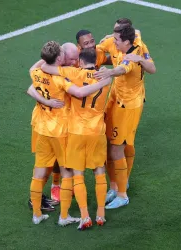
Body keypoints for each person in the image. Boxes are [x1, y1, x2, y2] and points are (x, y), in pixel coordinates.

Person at [27, 41, 112, 226]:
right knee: (69, 174)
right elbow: (80, 92)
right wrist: (105, 81)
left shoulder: (36, 72)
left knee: (38, 172)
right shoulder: (62, 79)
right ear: (59, 58)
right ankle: (65, 216)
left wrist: (45, 101)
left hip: (42, 128)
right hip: (62, 130)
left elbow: (30, 86)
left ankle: (36, 214)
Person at [94, 24, 155, 209]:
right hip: (116, 98)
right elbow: (137, 31)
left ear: (127, 42)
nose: (114, 41)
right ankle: (117, 185)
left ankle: (122, 193)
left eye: (117, 39)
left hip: (128, 105)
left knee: (117, 147)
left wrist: (109, 72)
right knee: (113, 142)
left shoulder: (133, 54)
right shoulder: (132, 38)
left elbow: (129, 68)